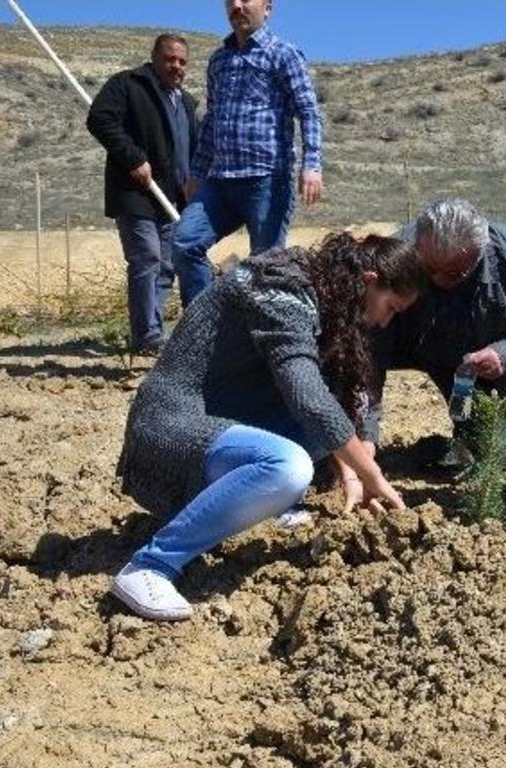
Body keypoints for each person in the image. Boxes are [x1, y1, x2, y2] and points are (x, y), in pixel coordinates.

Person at [111, 232, 424, 621]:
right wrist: (372, 473)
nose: (384, 321)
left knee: (316, 432)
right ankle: (151, 565)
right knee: (288, 468)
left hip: (217, 420)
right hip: (168, 429)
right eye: (390, 308)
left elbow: (329, 402)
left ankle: (266, 504)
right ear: (369, 281)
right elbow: (307, 396)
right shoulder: (283, 291)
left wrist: (352, 477)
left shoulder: (322, 292)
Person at [171, 0, 323, 306]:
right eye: (231, 1)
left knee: (265, 269)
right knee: (184, 242)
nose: (237, 6)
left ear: (268, 8)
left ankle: (258, 346)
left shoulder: (283, 54)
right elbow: (213, 120)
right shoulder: (218, 60)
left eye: (246, 0)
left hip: (266, 181)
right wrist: (198, 172)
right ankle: (203, 334)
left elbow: (308, 111)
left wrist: (312, 165)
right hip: (220, 182)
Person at [368, 198, 506, 469]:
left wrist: (505, 352)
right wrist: (365, 438)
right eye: (427, 268)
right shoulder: (396, 255)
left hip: (484, 361)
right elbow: (369, 348)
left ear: (478, 254)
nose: (433, 280)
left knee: (494, 456)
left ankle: (443, 448)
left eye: (450, 273)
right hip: (415, 344)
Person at [86, 34, 198, 353]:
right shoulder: (128, 84)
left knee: (166, 265)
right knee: (146, 258)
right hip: (135, 193)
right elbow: (99, 119)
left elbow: (193, 148)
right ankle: (146, 336)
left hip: (172, 198)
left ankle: (154, 330)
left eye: (182, 61)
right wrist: (133, 157)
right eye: (169, 58)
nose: (176, 65)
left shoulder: (187, 102)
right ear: (154, 57)